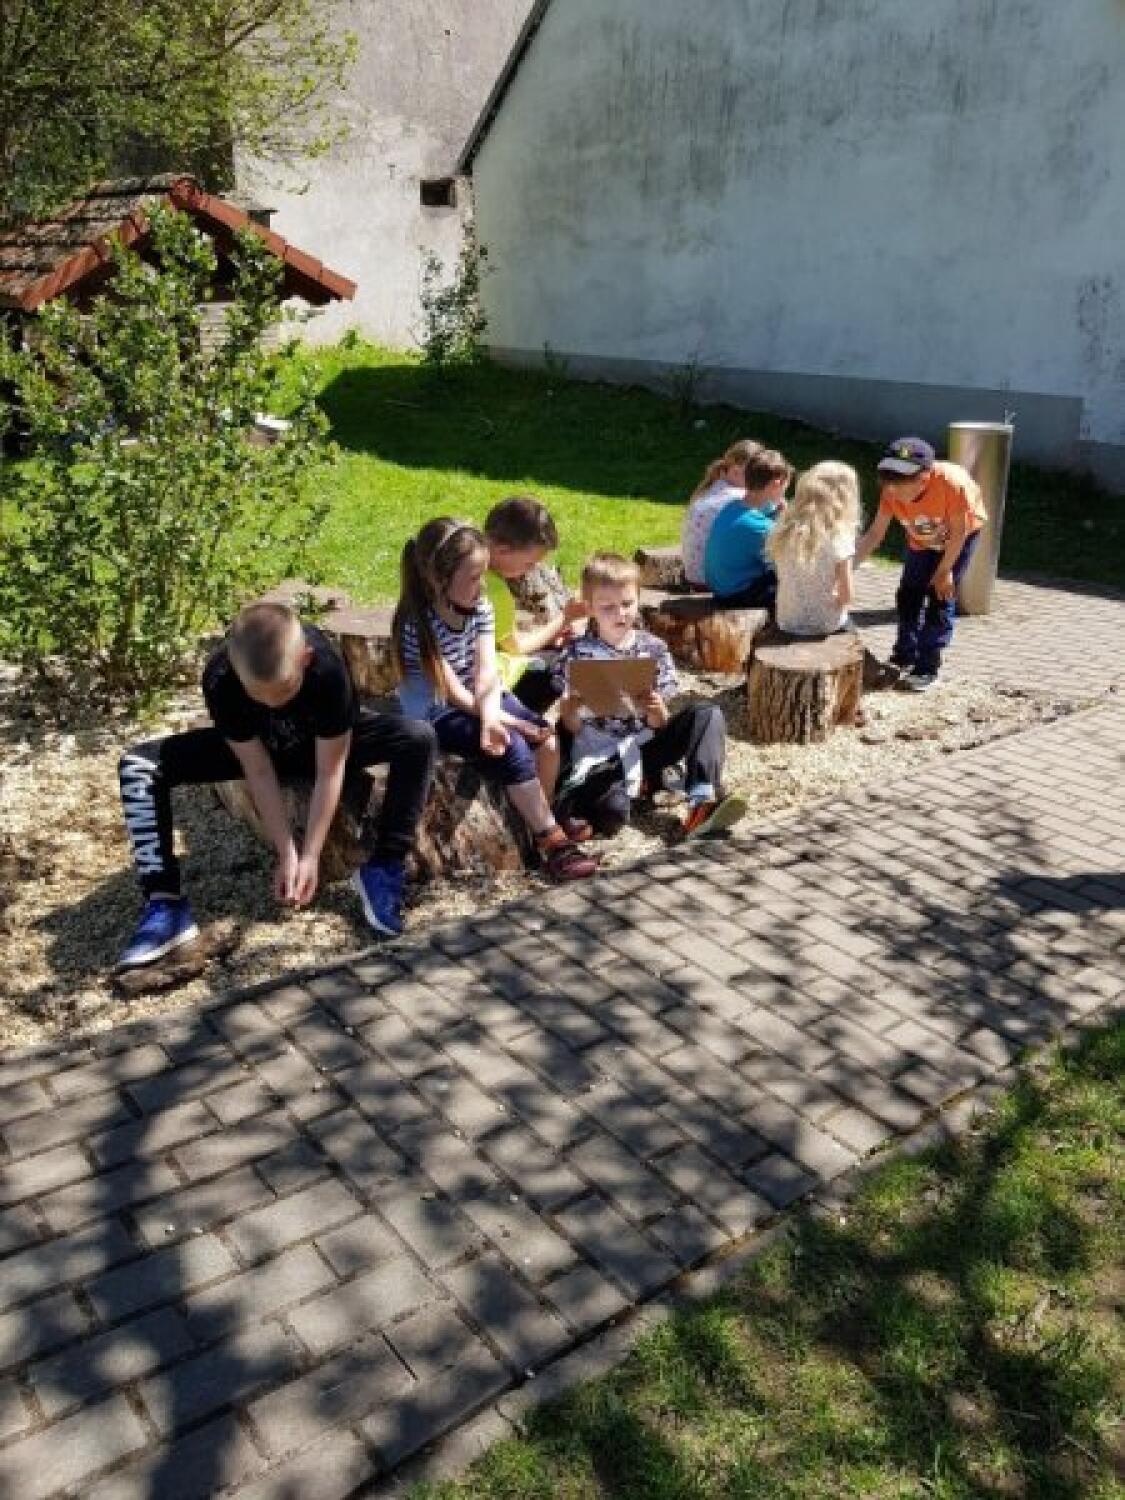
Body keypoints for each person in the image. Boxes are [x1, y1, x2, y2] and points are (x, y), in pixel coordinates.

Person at [116, 602, 438, 967]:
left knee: (419, 738)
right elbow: (258, 770)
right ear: (236, 670)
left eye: (285, 690)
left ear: (305, 658)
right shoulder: (221, 678)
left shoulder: (327, 670)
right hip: (260, 751)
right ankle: (165, 905)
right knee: (138, 766)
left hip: (322, 745)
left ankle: (384, 866)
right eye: (259, 695)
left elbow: (329, 769)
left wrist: (311, 855)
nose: (273, 703)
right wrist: (286, 853)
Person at [392, 516, 597, 881]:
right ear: (438, 578)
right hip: (437, 710)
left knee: (547, 741)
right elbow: (452, 693)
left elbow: (486, 671)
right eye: (473, 577)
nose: (482, 584)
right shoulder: (417, 623)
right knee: (512, 747)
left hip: (481, 696)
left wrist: (495, 717)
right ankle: (552, 842)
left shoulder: (481, 607)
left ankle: (539, 822)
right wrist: (502, 721)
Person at [552, 552, 747, 839]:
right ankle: (643, 787)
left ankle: (701, 800)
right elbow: (571, 730)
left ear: (638, 599)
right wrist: (568, 709)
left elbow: (660, 724)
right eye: (608, 607)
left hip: (646, 744)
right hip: (602, 757)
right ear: (590, 608)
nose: (620, 614)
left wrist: (657, 711)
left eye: (627, 604)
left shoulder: (653, 649)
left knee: (707, 714)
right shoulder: (575, 654)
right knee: (613, 813)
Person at [854, 436, 987, 691]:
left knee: (939, 598)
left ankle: (927, 666)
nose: (894, 489)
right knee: (908, 595)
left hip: (957, 539)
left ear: (924, 477)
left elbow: (959, 531)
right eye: (890, 479)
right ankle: (904, 654)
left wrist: (945, 571)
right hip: (921, 540)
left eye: (902, 481)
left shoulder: (952, 484)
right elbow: (874, 534)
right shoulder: (891, 489)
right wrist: (849, 568)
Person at [482, 494, 587, 713]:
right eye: (529, 563)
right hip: (486, 685)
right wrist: (565, 617)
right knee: (557, 670)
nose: (531, 570)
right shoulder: (494, 590)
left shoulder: (462, 565)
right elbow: (516, 648)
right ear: (502, 550)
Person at [768, 460, 860, 635]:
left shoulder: (784, 531)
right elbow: (846, 596)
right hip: (825, 624)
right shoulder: (840, 538)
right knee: (851, 629)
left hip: (787, 621)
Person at [703, 448, 793, 608]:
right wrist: (786, 520)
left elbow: (754, 522)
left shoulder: (732, 506)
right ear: (776, 484)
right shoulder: (761, 527)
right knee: (793, 579)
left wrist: (776, 515)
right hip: (736, 596)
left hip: (720, 588)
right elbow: (786, 562)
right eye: (785, 488)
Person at [681, 439, 761, 588]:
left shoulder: (709, 489)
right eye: (759, 475)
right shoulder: (739, 497)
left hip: (693, 575)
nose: (761, 481)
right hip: (714, 580)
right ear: (734, 471)